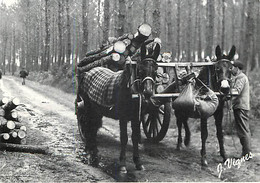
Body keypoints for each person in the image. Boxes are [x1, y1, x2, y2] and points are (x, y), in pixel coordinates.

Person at [231, 60, 251, 157]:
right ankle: (246, 152)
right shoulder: (239, 77)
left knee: (243, 130)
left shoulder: (241, 77)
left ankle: (246, 154)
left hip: (241, 106)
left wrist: (227, 92)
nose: (231, 69)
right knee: (243, 129)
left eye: (233, 67)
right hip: (241, 106)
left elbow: (236, 91)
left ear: (237, 68)